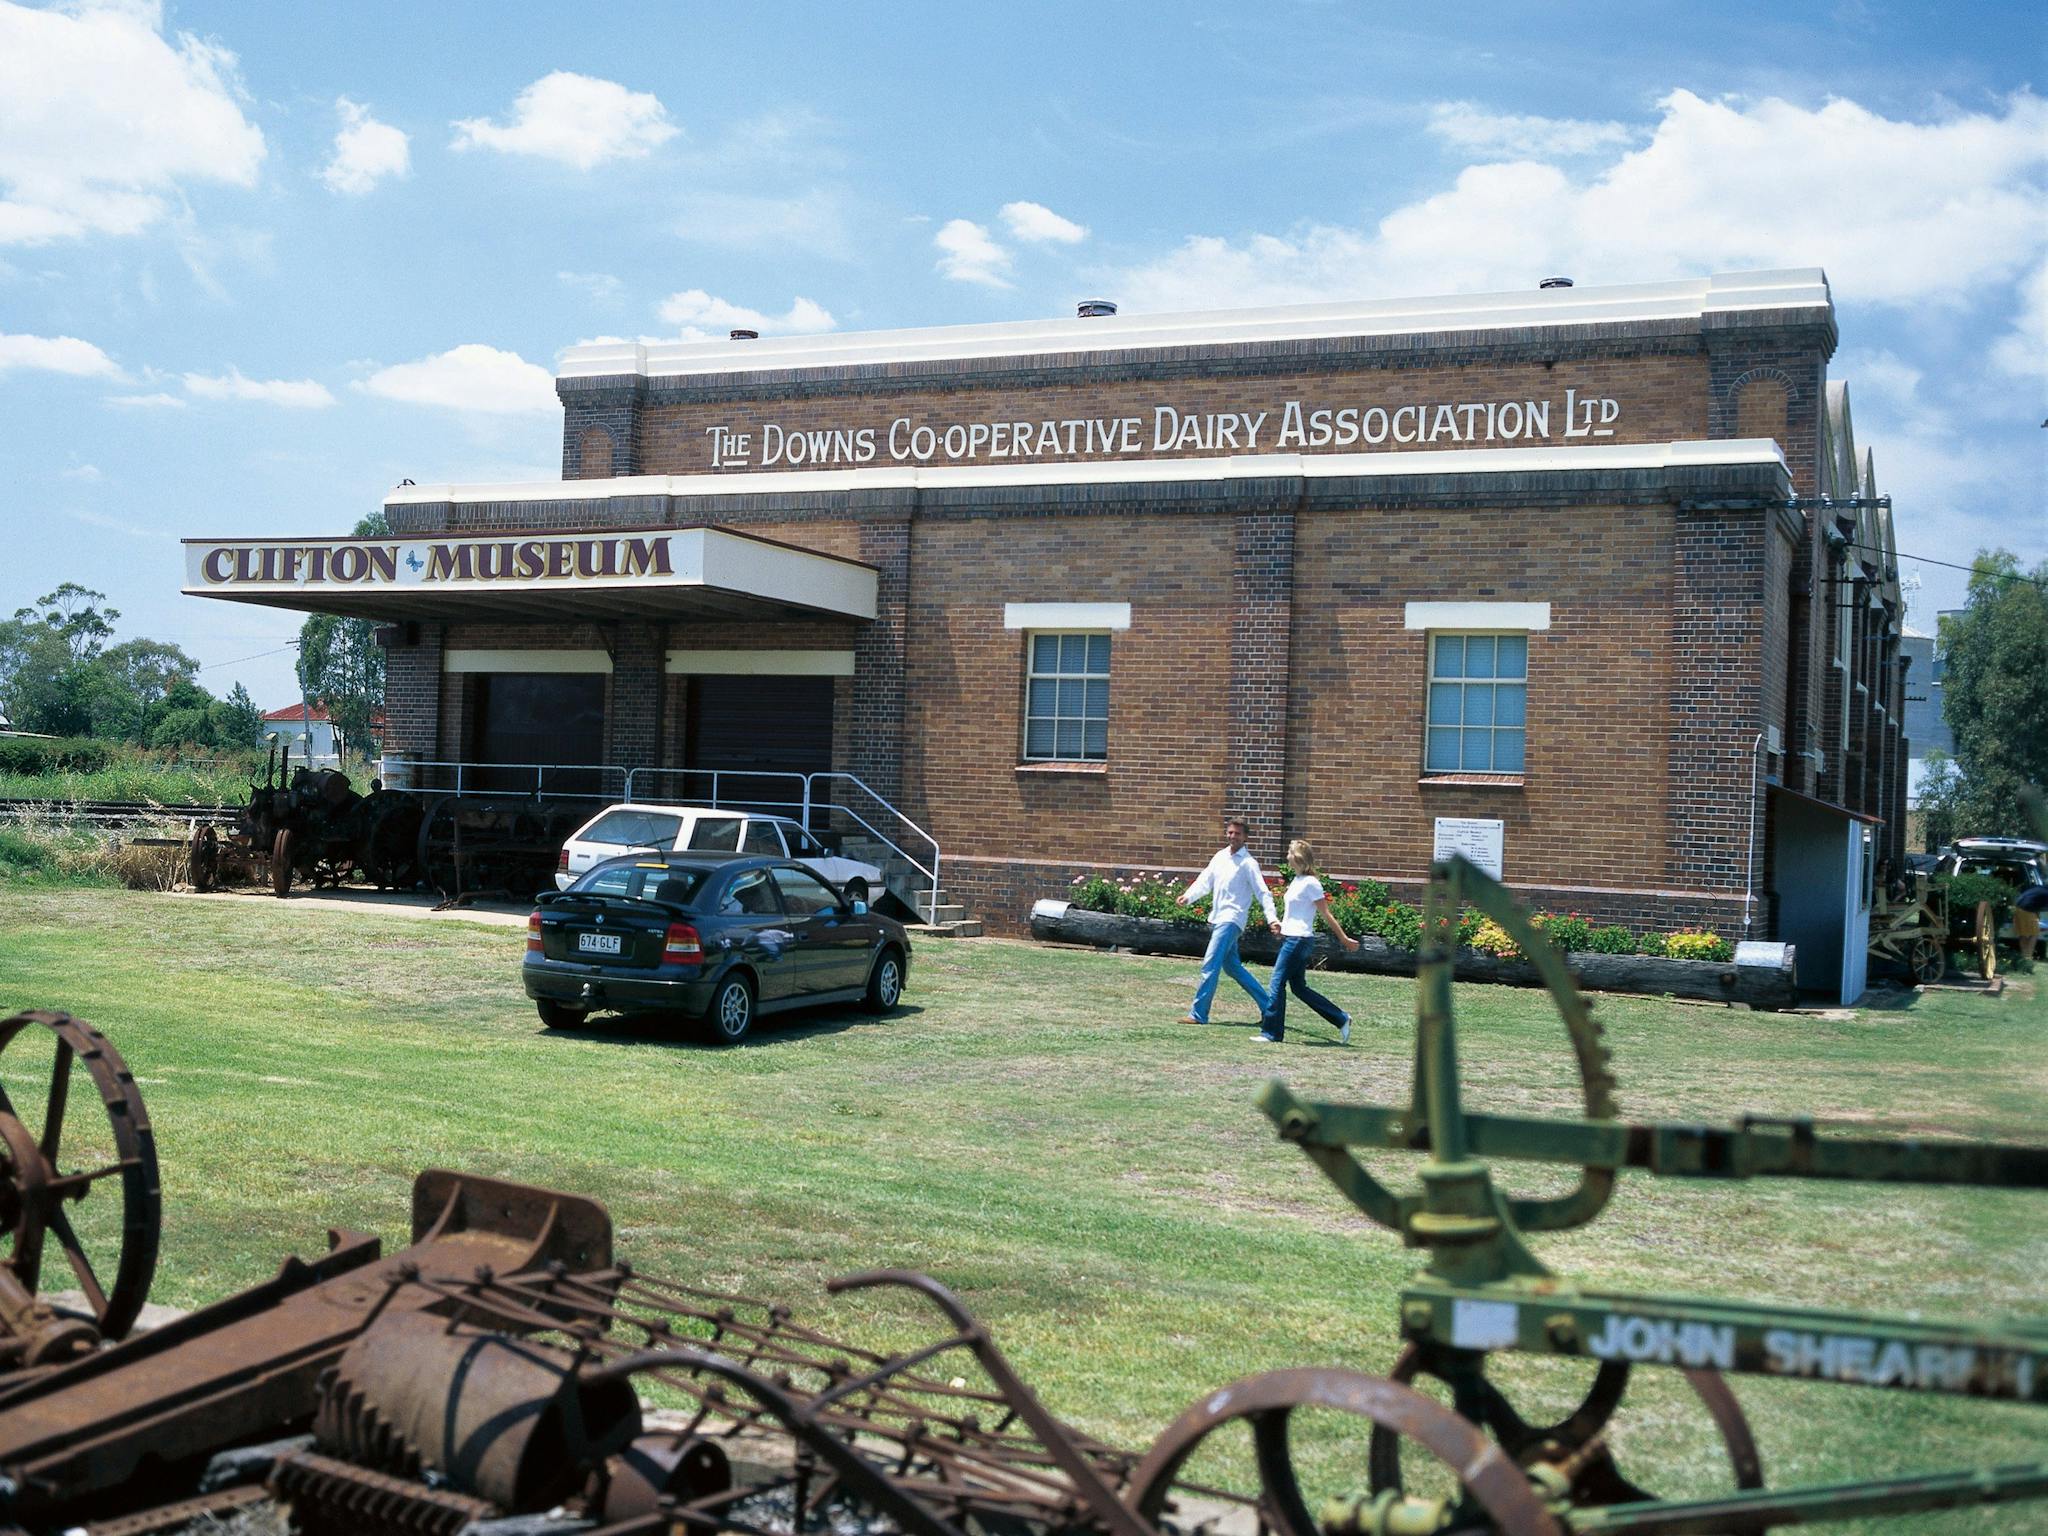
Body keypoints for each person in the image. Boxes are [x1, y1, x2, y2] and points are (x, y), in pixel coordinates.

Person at [1255, 839, 1360, 1044]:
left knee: (1277, 983)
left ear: (1297, 857)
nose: (1286, 856)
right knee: (1299, 988)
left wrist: (1343, 939)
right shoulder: (1297, 880)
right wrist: (1280, 926)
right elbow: (1295, 914)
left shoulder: (1311, 883)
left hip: (1299, 940)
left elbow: (1326, 914)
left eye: (1289, 852)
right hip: (1292, 937)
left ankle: (1272, 1033)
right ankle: (1341, 1018)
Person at [1177, 815, 1278, 1024]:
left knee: (1210, 963)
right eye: (1230, 832)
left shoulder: (1249, 864)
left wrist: (1272, 919)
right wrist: (1188, 896)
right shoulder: (1220, 857)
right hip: (1219, 917)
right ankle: (1270, 1009)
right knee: (1233, 968)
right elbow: (1205, 880)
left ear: (1245, 837)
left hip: (1232, 919)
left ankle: (1199, 1014)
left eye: (1237, 833)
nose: (1233, 836)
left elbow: (1263, 893)